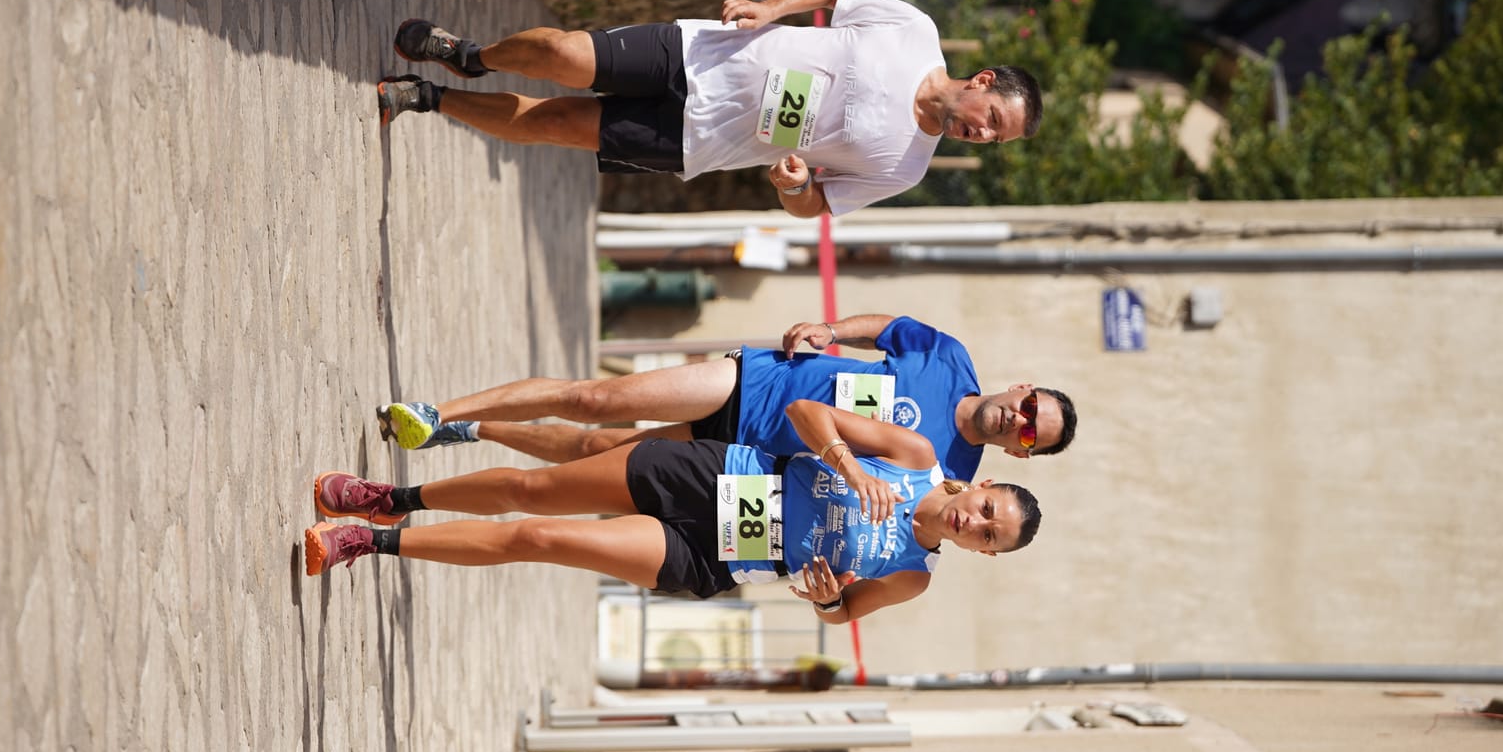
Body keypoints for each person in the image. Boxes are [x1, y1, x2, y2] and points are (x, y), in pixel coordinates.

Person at [303, 400, 1042, 621]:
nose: (974, 522)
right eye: (987, 508)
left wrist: (827, 600)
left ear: (983, 554)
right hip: (714, 476)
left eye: (988, 537)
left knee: (541, 537)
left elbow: (844, 613)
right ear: (980, 488)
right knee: (535, 493)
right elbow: (806, 411)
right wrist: (847, 463)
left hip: (720, 555)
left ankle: (366, 545)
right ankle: (392, 500)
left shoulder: (914, 575)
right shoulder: (914, 456)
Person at [375, 0, 1043, 216]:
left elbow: (817, 205)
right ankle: (470, 57)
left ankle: (430, 99)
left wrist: (791, 186)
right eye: (992, 121)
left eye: (994, 139)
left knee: (553, 123)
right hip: (704, 52)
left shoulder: (907, 166)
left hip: (699, 140)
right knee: (561, 53)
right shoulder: (915, 32)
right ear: (982, 82)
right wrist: (772, 6)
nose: (982, 135)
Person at [375, 313, 1078, 480]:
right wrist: (833, 327)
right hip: (758, 382)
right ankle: (443, 412)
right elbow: (887, 327)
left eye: (1028, 433)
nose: (1019, 420)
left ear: (1021, 452)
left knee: (592, 453)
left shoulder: (952, 476)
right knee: (594, 400)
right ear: (1021, 387)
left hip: (752, 453)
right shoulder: (950, 357)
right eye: (1029, 407)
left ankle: (473, 435)